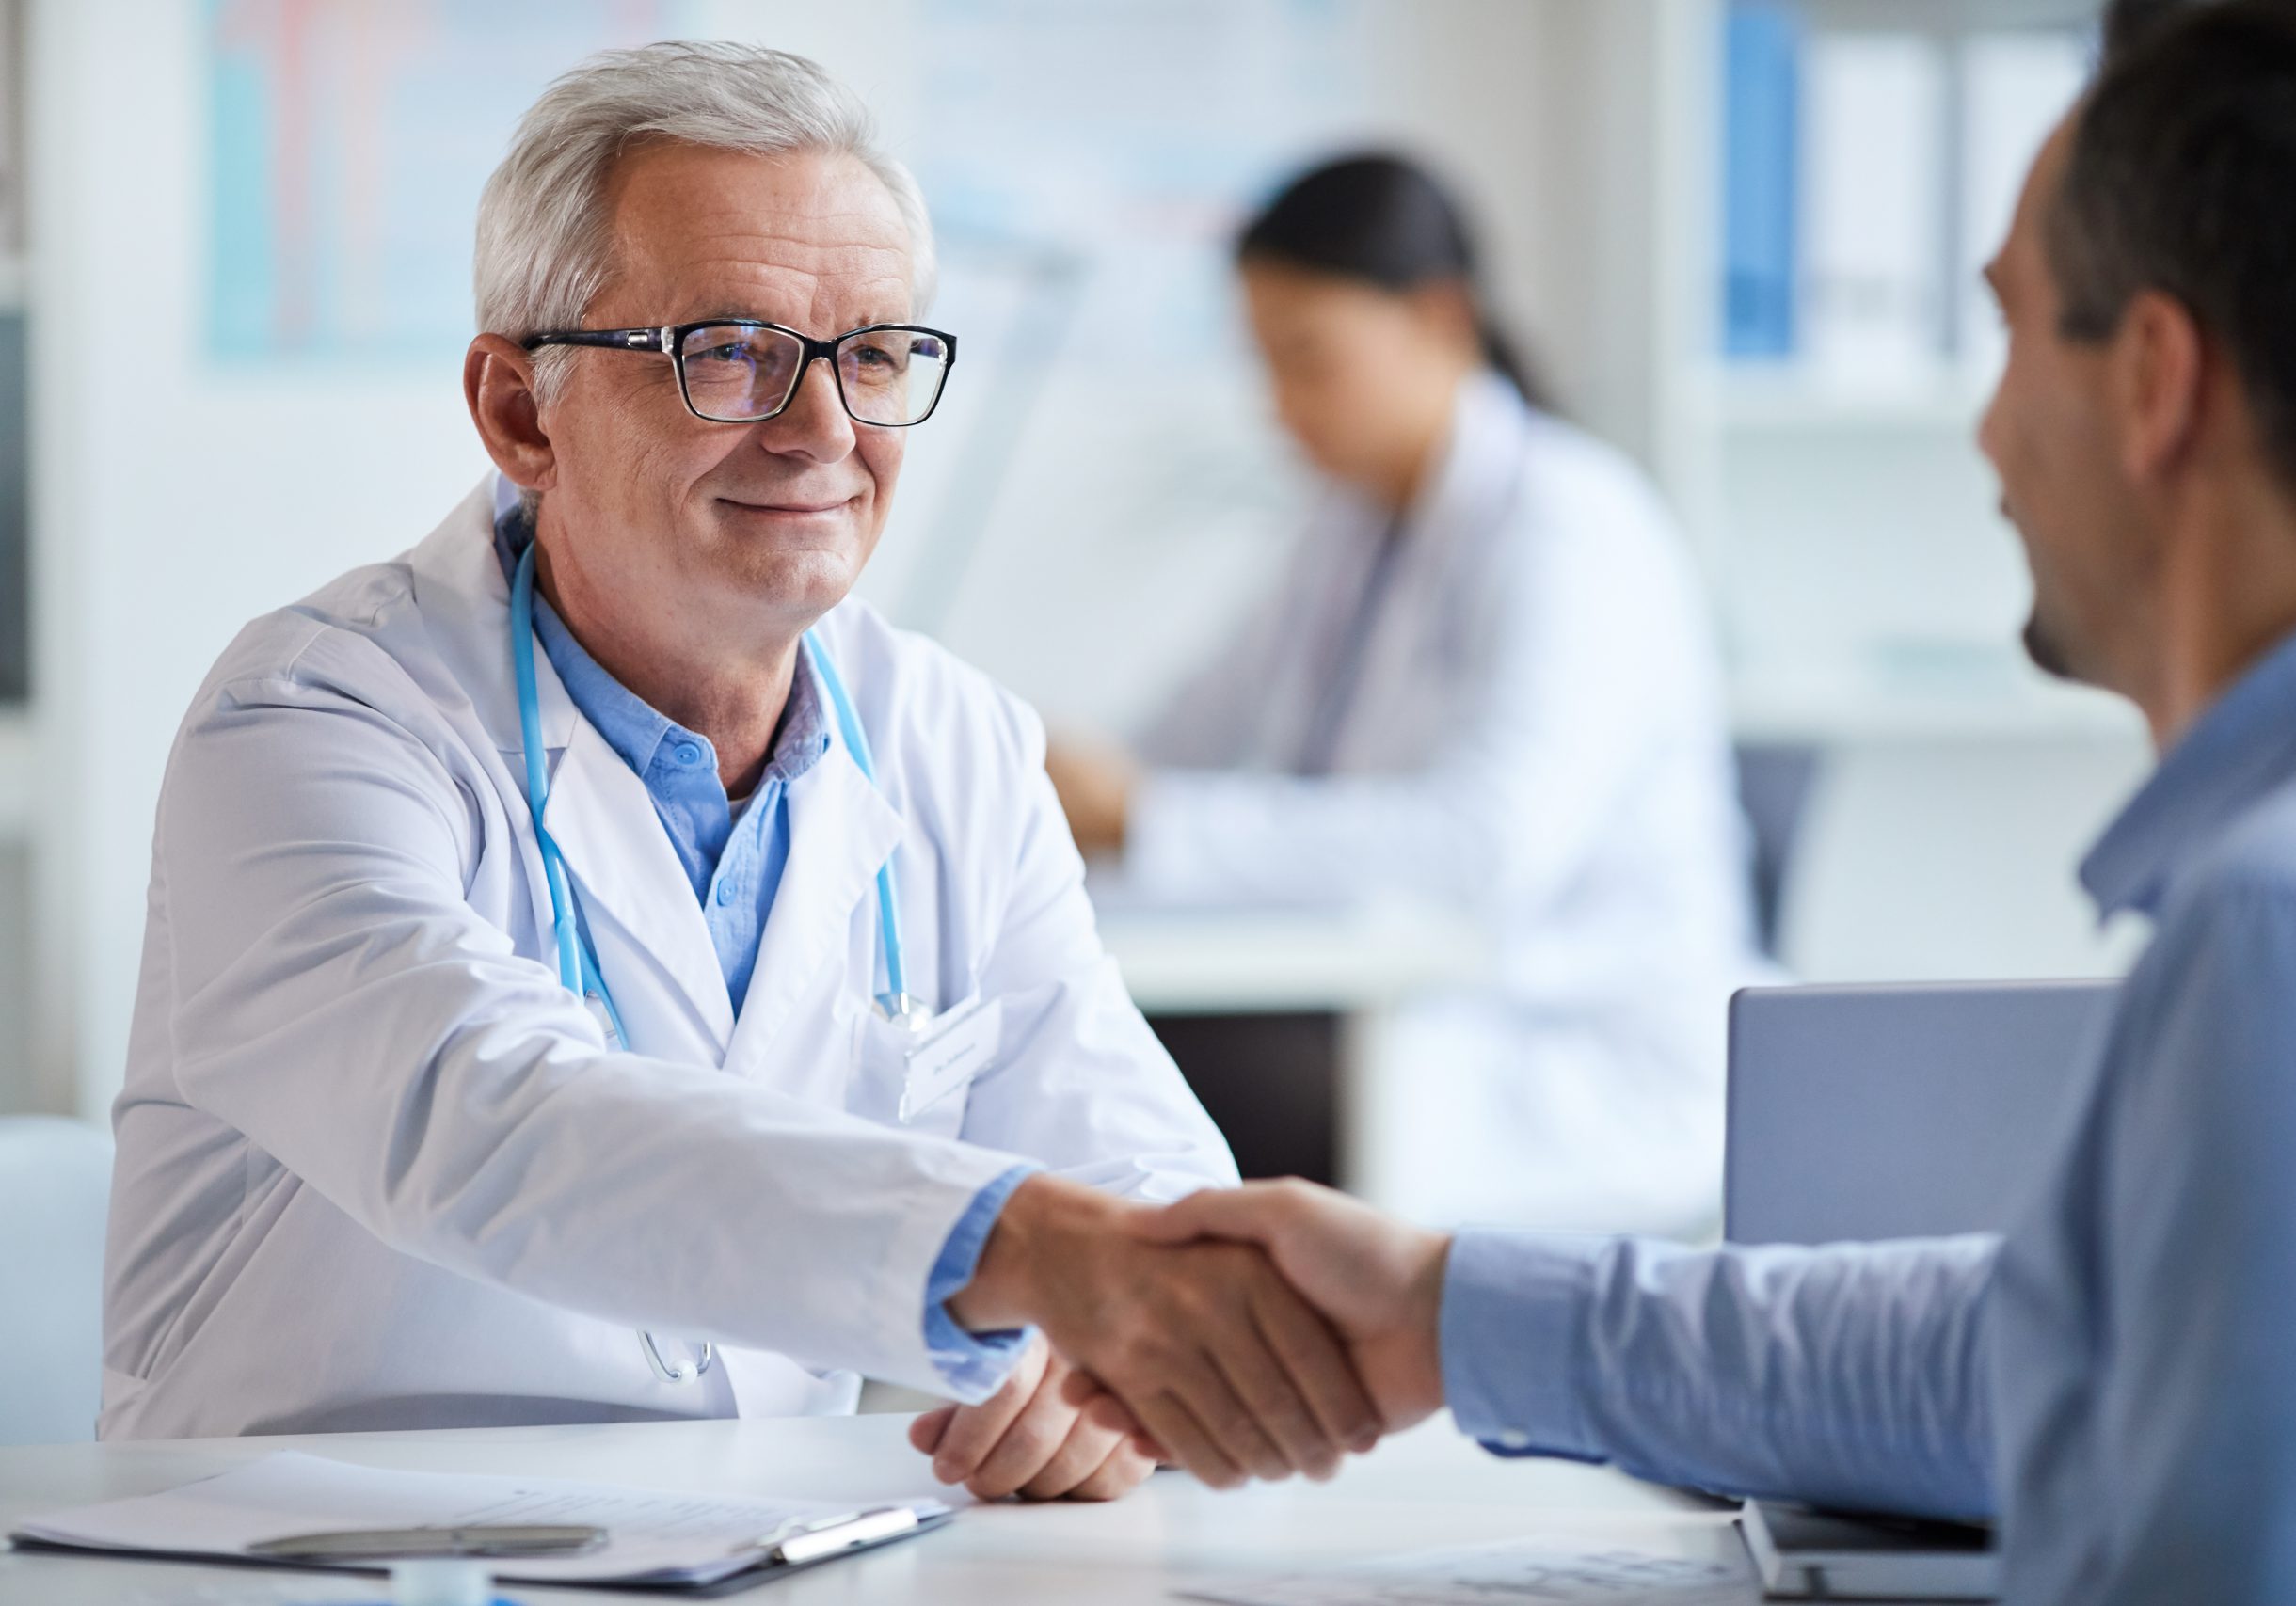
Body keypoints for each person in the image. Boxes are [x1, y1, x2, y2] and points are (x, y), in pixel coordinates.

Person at [1133, 1, 2296, 1598]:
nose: (1986, 428)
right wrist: (1448, 1310)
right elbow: (2030, 1360)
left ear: (2153, 381)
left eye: (2009, 331)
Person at [98, 41, 1383, 1503]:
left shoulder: (950, 737)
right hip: (319, 1544)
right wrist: (1018, 1250)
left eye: (876, 354)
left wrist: (1118, 1357)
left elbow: (1137, 1160)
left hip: (767, 1538)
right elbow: (488, 1109)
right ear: (524, 412)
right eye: (732, 351)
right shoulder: (313, 722)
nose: (826, 429)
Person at [1045, 155, 1758, 1233]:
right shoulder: (1349, 527)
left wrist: (1143, 818)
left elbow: (1484, 845)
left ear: (1437, 317)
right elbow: (1194, 726)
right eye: (1262, 363)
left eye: (1307, 359)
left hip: (1557, 1057)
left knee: (1128, 1077)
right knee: (1067, 1033)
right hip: (1387, 1012)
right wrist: (1045, 782)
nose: (1277, 405)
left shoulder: (1575, 528)